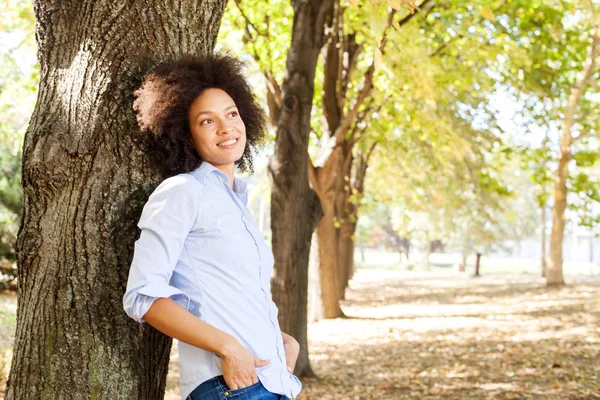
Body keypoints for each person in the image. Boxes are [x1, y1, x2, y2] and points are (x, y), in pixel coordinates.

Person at [123, 54, 302, 400]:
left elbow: (232, 298)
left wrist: (284, 341)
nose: (226, 128)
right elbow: (143, 295)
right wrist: (228, 347)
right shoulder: (183, 192)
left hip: (270, 382)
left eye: (232, 114)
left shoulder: (237, 203)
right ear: (185, 134)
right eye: (207, 121)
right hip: (228, 386)